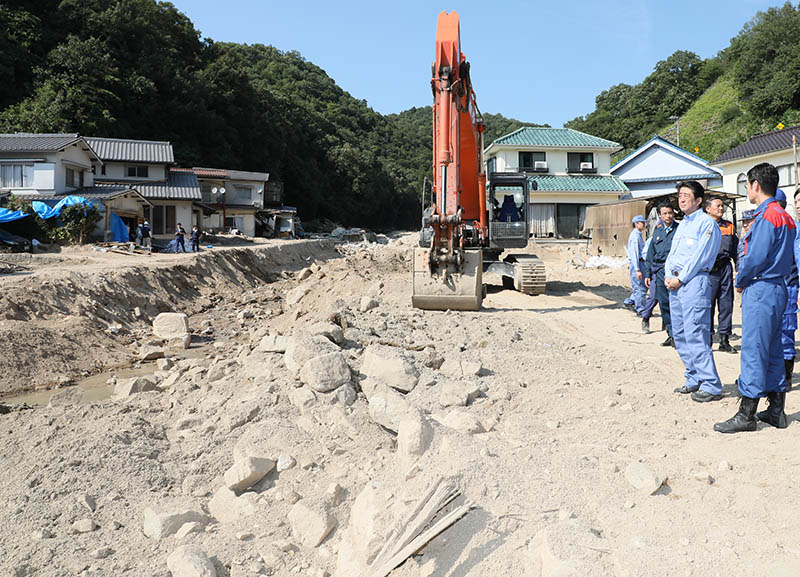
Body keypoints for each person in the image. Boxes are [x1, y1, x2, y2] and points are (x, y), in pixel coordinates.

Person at [715, 164, 796, 433]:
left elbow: (755, 258)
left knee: (753, 350)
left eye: (747, 185)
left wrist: (740, 280)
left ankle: (746, 414)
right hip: (779, 287)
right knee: (773, 349)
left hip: (761, 288)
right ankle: (776, 410)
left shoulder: (766, 217)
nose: (747, 190)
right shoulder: (785, 217)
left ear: (756, 185)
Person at [665, 180, 723, 402]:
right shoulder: (683, 224)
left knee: (695, 333)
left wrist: (679, 278)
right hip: (675, 284)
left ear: (698, 200)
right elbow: (673, 254)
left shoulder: (706, 224)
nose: (681, 199)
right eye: (680, 195)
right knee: (680, 334)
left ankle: (711, 384)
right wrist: (669, 276)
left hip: (693, 283)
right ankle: (693, 377)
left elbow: (699, 257)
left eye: (686, 195)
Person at [704, 196, 738, 353]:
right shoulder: (703, 225)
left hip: (725, 268)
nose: (721, 208)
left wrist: (738, 268)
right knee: (708, 305)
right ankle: (708, 338)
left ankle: (724, 339)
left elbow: (735, 250)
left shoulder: (729, 226)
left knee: (726, 305)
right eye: (717, 205)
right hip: (709, 271)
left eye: (722, 206)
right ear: (708, 209)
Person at [643, 203, 679, 346]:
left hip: (674, 272)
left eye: (670, 213)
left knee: (676, 304)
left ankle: (678, 336)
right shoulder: (658, 231)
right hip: (659, 272)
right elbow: (650, 254)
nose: (668, 216)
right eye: (665, 213)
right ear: (660, 215)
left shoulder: (679, 230)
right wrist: (647, 273)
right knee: (664, 304)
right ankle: (671, 335)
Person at [774, 189, 798, 391]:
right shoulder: (775, 226)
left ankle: (786, 377)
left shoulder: (791, 227)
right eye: (796, 201)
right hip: (773, 287)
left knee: (786, 331)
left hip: (789, 286)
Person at [624, 215, 647, 316]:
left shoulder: (638, 234)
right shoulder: (635, 236)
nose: (644, 224)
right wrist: (637, 269)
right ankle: (640, 309)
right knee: (639, 287)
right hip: (637, 263)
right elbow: (634, 253)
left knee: (643, 286)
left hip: (641, 263)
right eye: (642, 222)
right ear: (636, 224)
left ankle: (630, 301)